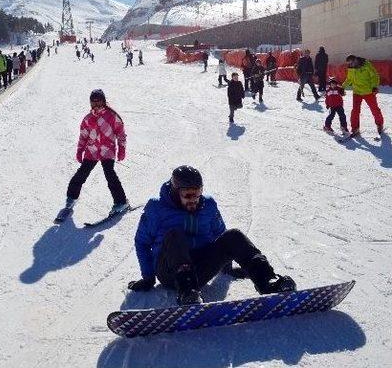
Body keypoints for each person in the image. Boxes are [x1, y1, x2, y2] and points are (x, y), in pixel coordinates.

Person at [127, 165, 296, 304]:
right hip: (170, 273)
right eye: (188, 195)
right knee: (174, 236)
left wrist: (227, 267)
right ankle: (187, 292)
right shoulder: (157, 208)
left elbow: (220, 235)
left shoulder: (208, 205)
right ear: (175, 192)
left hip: (200, 269)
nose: (194, 199)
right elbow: (142, 242)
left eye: (198, 192)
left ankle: (267, 281)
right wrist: (148, 278)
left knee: (233, 235)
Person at [62, 89, 129, 216]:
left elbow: (121, 134)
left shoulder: (112, 116)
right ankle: (71, 198)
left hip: (107, 150)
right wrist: (80, 150)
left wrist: (122, 149)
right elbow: (83, 136)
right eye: (93, 103)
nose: (96, 106)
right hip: (92, 151)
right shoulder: (88, 119)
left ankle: (121, 201)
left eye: (99, 103)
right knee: (81, 174)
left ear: (104, 101)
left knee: (110, 175)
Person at [342, 55, 384, 135]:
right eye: (348, 63)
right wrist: (342, 87)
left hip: (368, 91)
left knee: (374, 109)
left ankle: (379, 124)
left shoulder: (366, 65)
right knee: (355, 110)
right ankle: (355, 128)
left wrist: (374, 86)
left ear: (355, 60)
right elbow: (349, 79)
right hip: (357, 92)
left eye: (351, 63)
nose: (350, 65)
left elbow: (374, 76)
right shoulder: (351, 68)